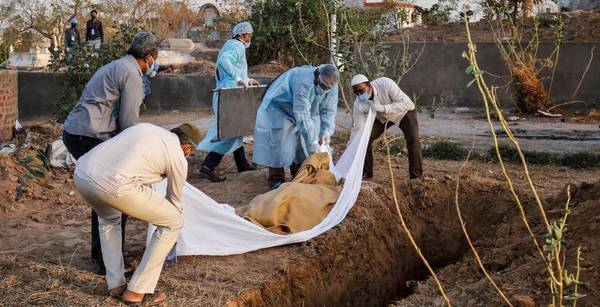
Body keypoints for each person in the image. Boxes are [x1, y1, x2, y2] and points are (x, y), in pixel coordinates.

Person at [62, 31, 159, 275]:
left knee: (104, 195)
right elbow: (128, 124)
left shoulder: (119, 65)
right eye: (154, 58)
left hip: (78, 132)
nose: (154, 63)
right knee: (115, 194)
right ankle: (109, 261)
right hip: (88, 135)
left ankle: (103, 254)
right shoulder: (132, 75)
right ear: (148, 57)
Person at [74, 123, 201, 304]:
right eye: (191, 152)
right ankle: (136, 291)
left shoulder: (147, 128)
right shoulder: (178, 157)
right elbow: (174, 202)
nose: (188, 155)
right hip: (114, 183)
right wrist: (169, 239)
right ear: (187, 147)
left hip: (82, 174)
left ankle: (116, 285)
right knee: (173, 222)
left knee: (109, 220)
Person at [253, 64, 340, 189]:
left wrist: (326, 131)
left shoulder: (332, 86)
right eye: (323, 85)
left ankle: (298, 175)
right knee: (279, 144)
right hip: (280, 107)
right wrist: (313, 141)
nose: (325, 89)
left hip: (300, 110)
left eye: (328, 87)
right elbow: (302, 114)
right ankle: (276, 179)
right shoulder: (303, 81)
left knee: (301, 145)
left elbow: (329, 110)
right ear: (317, 76)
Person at [197, 21, 259, 182]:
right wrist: (238, 78)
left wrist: (246, 79)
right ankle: (207, 166)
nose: (250, 38)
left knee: (237, 129)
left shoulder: (232, 44)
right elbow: (225, 62)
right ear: (243, 35)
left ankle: (242, 163)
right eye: (249, 35)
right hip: (228, 95)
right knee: (230, 133)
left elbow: (233, 66)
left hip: (230, 93)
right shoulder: (237, 46)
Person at [350, 74, 423, 180]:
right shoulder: (359, 104)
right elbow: (358, 128)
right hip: (382, 118)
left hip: (403, 113)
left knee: (413, 140)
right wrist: (352, 145)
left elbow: (406, 104)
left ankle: (416, 176)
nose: (359, 94)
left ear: (369, 85)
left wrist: (384, 108)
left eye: (361, 91)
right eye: (356, 93)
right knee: (364, 139)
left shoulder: (385, 83)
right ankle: (367, 173)